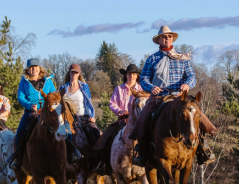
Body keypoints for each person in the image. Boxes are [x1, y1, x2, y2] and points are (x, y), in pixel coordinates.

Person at [129, 26, 217, 167]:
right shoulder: (152, 59)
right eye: (164, 37)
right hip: (159, 97)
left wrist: (187, 85)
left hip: (179, 97)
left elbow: (191, 76)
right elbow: (144, 78)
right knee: (143, 117)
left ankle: (204, 149)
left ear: (172, 39)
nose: (167, 39)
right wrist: (152, 88)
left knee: (197, 116)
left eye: (169, 36)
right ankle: (141, 151)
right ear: (158, 40)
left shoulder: (182, 58)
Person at [8, 58, 81, 170]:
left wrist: (53, 104)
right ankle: (18, 158)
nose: (34, 69)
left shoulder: (47, 81)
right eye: (31, 68)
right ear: (28, 70)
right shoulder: (24, 81)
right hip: (31, 112)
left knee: (64, 126)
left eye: (36, 67)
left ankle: (71, 153)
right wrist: (30, 105)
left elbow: (54, 94)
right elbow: (20, 97)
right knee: (20, 132)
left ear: (39, 68)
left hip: (48, 111)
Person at [92, 63, 143, 175]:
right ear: (126, 75)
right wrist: (120, 111)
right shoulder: (119, 89)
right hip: (122, 119)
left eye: (134, 74)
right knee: (107, 136)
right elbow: (112, 103)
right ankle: (104, 164)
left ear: (136, 76)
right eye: (129, 74)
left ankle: (152, 163)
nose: (131, 76)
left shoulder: (141, 89)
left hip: (138, 121)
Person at [59, 64, 101, 144]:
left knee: (95, 132)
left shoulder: (84, 86)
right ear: (69, 73)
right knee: (64, 135)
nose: (74, 74)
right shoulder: (63, 88)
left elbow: (89, 103)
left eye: (76, 72)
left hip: (83, 117)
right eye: (72, 72)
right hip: (69, 118)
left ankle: (98, 154)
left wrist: (92, 116)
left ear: (79, 74)